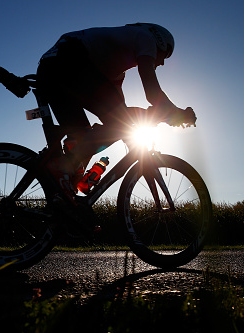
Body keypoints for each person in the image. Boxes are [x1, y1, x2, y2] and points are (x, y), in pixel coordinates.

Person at [37, 23, 196, 202]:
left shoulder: (113, 72)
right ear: (159, 40)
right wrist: (176, 113)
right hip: (71, 58)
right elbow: (151, 93)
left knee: (82, 136)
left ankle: (65, 194)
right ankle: (61, 167)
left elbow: (119, 113)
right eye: (166, 53)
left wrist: (146, 123)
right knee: (118, 123)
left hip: (50, 69)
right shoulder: (146, 37)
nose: (163, 62)